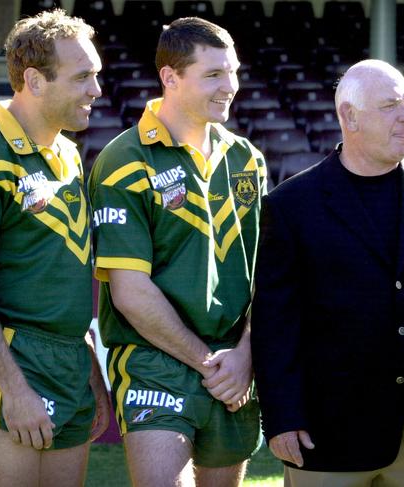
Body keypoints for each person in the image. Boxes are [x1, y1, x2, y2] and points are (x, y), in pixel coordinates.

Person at [251, 59, 404, 487]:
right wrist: (282, 419)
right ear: (349, 116)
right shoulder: (291, 206)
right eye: (391, 106)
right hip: (327, 440)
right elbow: (274, 325)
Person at [88, 17, 265, 487]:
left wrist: (244, 354)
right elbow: (130, 292)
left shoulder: (247, 159)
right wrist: (208, 361)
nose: (230, 86)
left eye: (233, 72)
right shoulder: (123, 160)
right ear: (170, 77)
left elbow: (268, 272)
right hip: (155, 361)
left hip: (234, 365)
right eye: (213, 75)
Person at [0, 9, 110, 487]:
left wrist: (87, 361)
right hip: (14, 361)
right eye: (82, 76)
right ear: (34, 81)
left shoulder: (65, 152)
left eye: (97, 75)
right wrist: (14, 388)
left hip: (68, 359)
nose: (96, 90)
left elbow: (54, 270)